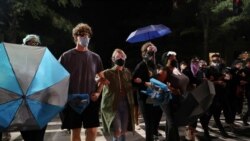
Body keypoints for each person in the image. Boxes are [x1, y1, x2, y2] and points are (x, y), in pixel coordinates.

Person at [59, 23, 104, 141]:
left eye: (87, 35)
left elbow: (102, 79)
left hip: (91, 99)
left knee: (93, 130)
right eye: (82, 35)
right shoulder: (66, 56)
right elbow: (58, 79)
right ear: (75, 37)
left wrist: (98, 93)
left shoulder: (95, 57)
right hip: (73, 100)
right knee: (75, 132)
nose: (85, 38)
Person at [100, 48, 135, 141]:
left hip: (126, 104)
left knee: (123, 131)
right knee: (117, 130)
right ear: (113, 59)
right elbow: (96, 76)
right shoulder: (108, 72)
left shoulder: (127, 72)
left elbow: (132, 84)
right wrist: (101, 80)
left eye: (122, 56)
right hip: (113, 105)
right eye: (118, 57)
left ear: (125, 58)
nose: (120, 58)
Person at [19, 34, 47, 141]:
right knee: (28, 137)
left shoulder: (43, 60)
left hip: (40, 105)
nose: (33, 45)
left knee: (39, 137)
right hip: (23, 105)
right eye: (29, 43)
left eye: (35, 43)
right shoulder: (18, 62)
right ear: (24, 45)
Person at [132, 42, 163, 141]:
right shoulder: (141, 65)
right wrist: (143, 83)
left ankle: (154, 134)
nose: (152, 54)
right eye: (149, 52)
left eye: (153, 52)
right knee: (148, 122)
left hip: (154, 94)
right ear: (144, 53)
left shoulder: (154, 66)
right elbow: (133, 81)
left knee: (155, 118)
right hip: (144, 96)